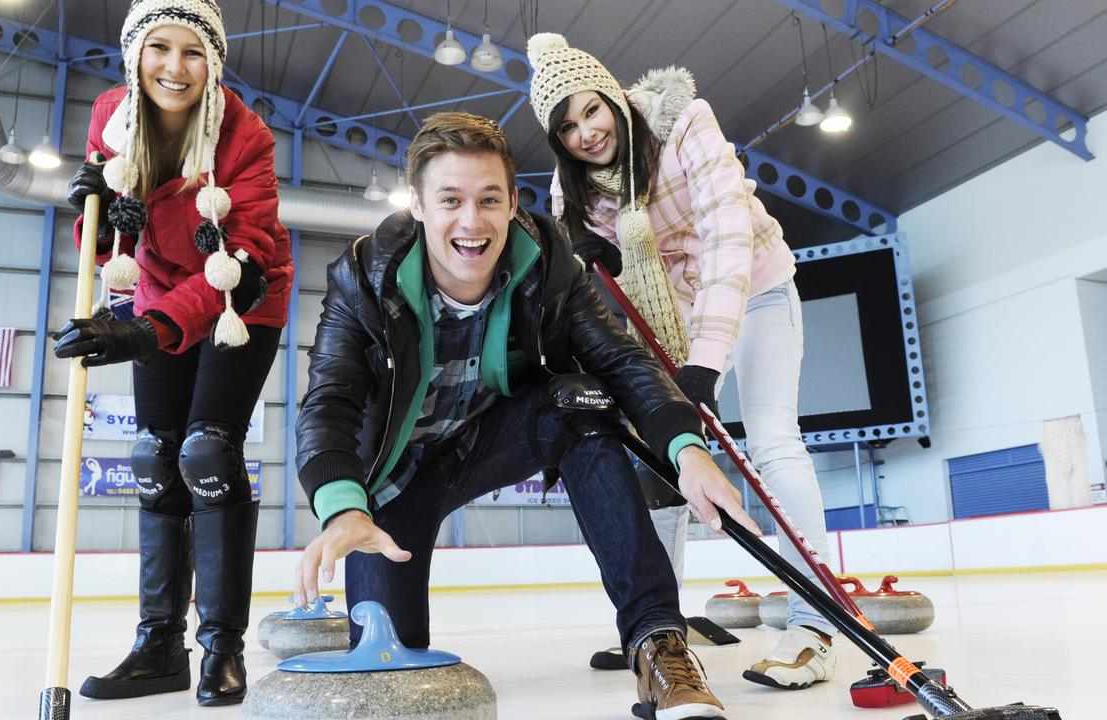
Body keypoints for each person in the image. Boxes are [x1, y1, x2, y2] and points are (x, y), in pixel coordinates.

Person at [292, 111, 760, 720]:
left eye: (489, 199)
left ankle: (657, 645)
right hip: (397, 480)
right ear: (419, 206)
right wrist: (345, 509)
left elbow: (621, 360)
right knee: (392, 669)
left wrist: (687, 449)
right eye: (451, 200)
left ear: (514, 202)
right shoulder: (364, 277)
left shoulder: (549, 262)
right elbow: (328, 401)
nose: (471, 221)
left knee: (583, 404)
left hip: (497, 437)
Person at [527, 32, 838, 690]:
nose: (586, 133)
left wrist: (704, 365)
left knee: (774, 439)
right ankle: (658, 624)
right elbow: (581, 295)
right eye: (567, 128)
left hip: (753, 291)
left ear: (612, 96)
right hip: (665, 325)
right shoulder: (573, 190)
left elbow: (726, 237)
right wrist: (584, 257)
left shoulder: (684, 122)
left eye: (591, 110)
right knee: (659, 463)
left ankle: (814, 624)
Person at [54, 0, 292, 706]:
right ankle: (159, 646)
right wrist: (91, 220)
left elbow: (246, 265)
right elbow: (108, 242)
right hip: (156, 292)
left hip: (239, 305)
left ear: (213, 62)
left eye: (193, 52)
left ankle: (221, 647)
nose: (174, 67)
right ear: (136, 54)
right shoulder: (111, 115)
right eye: (160, 48)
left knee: (207, 450)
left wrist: (145, 333)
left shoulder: (246, 136)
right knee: (156, 457)